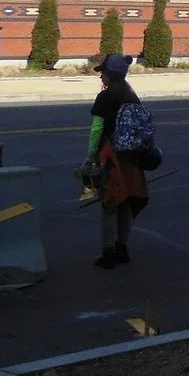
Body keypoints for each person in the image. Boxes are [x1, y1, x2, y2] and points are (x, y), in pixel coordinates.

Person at [84, 52, 148, 268]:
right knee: (125, 204)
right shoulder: (131, 96)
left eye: (103, 73)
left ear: (110, 75)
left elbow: (97, 129)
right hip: (132, 158)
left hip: (111, 157)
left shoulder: (105, 97)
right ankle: (122, 249)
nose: (101, 77)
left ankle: (108, 253)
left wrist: (91, 155)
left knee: (109, 204)